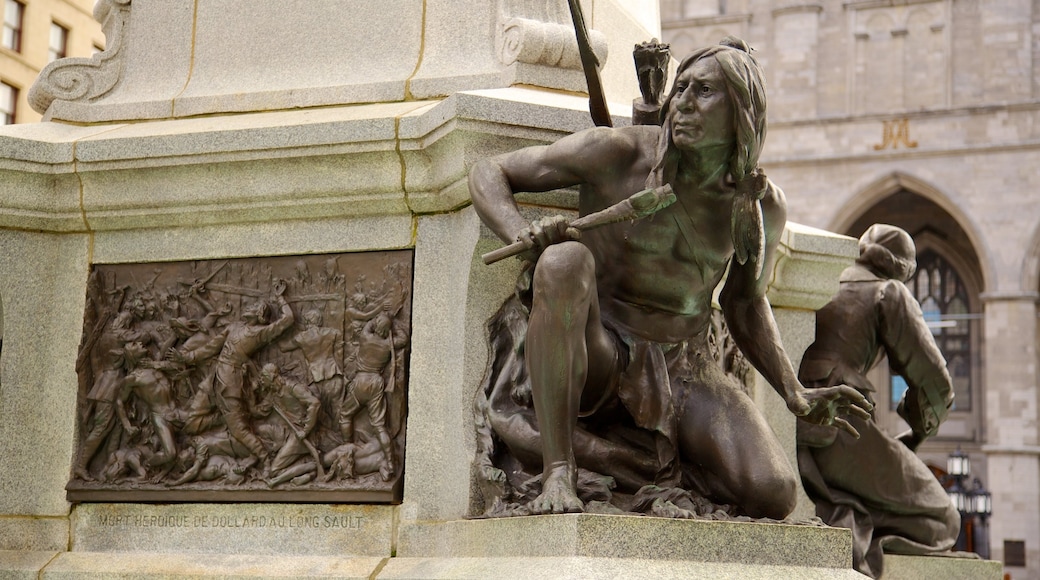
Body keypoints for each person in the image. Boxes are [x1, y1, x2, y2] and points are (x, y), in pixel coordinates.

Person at [469, 37, 871, 518]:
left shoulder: (758, 203)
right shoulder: (619, 154)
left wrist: (793, 390)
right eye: (679, 89)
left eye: (702, 91)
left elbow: (745, 302)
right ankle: (559, 471)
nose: (681, 104)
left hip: (683, 367)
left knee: (774, 492)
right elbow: (488, 170)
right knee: (562, 261)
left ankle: (643, 469)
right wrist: (522, 231)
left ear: (742, 110)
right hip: (601, 349)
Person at [796, 224, 959, 578]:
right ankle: (859, 526)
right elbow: (935, 382)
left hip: (792, 422)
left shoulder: (825, 279)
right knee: (942, 518)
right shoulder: (888, 292)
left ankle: (853, 511)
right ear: (903, 269)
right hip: (838, 428)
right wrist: (918, 431)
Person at [172, 279, 294, 475]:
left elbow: (288, 320)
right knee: (191, 423)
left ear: (260, 316)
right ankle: (223, 418)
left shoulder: (260, 333)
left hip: (232, 385)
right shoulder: (233, 327)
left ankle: (265, 459)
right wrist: (186, 357)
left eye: (255, 306)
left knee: (239, 431)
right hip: (212, 381)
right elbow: (210, 348)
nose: (250, 306)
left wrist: (280, 298)